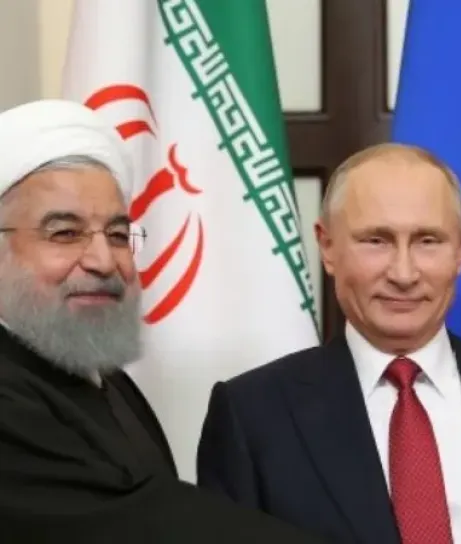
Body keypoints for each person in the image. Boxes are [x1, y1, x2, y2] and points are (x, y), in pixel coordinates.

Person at [195, 142, 461, 544]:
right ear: (327, 247)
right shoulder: (252, 416)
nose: (404, 273)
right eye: (376, 241)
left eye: (428, 241)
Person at [0, 99, 326, 543]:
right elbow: (144, 527)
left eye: (118, 235)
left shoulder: (107, 380)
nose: (104, 261)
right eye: (65, 233)